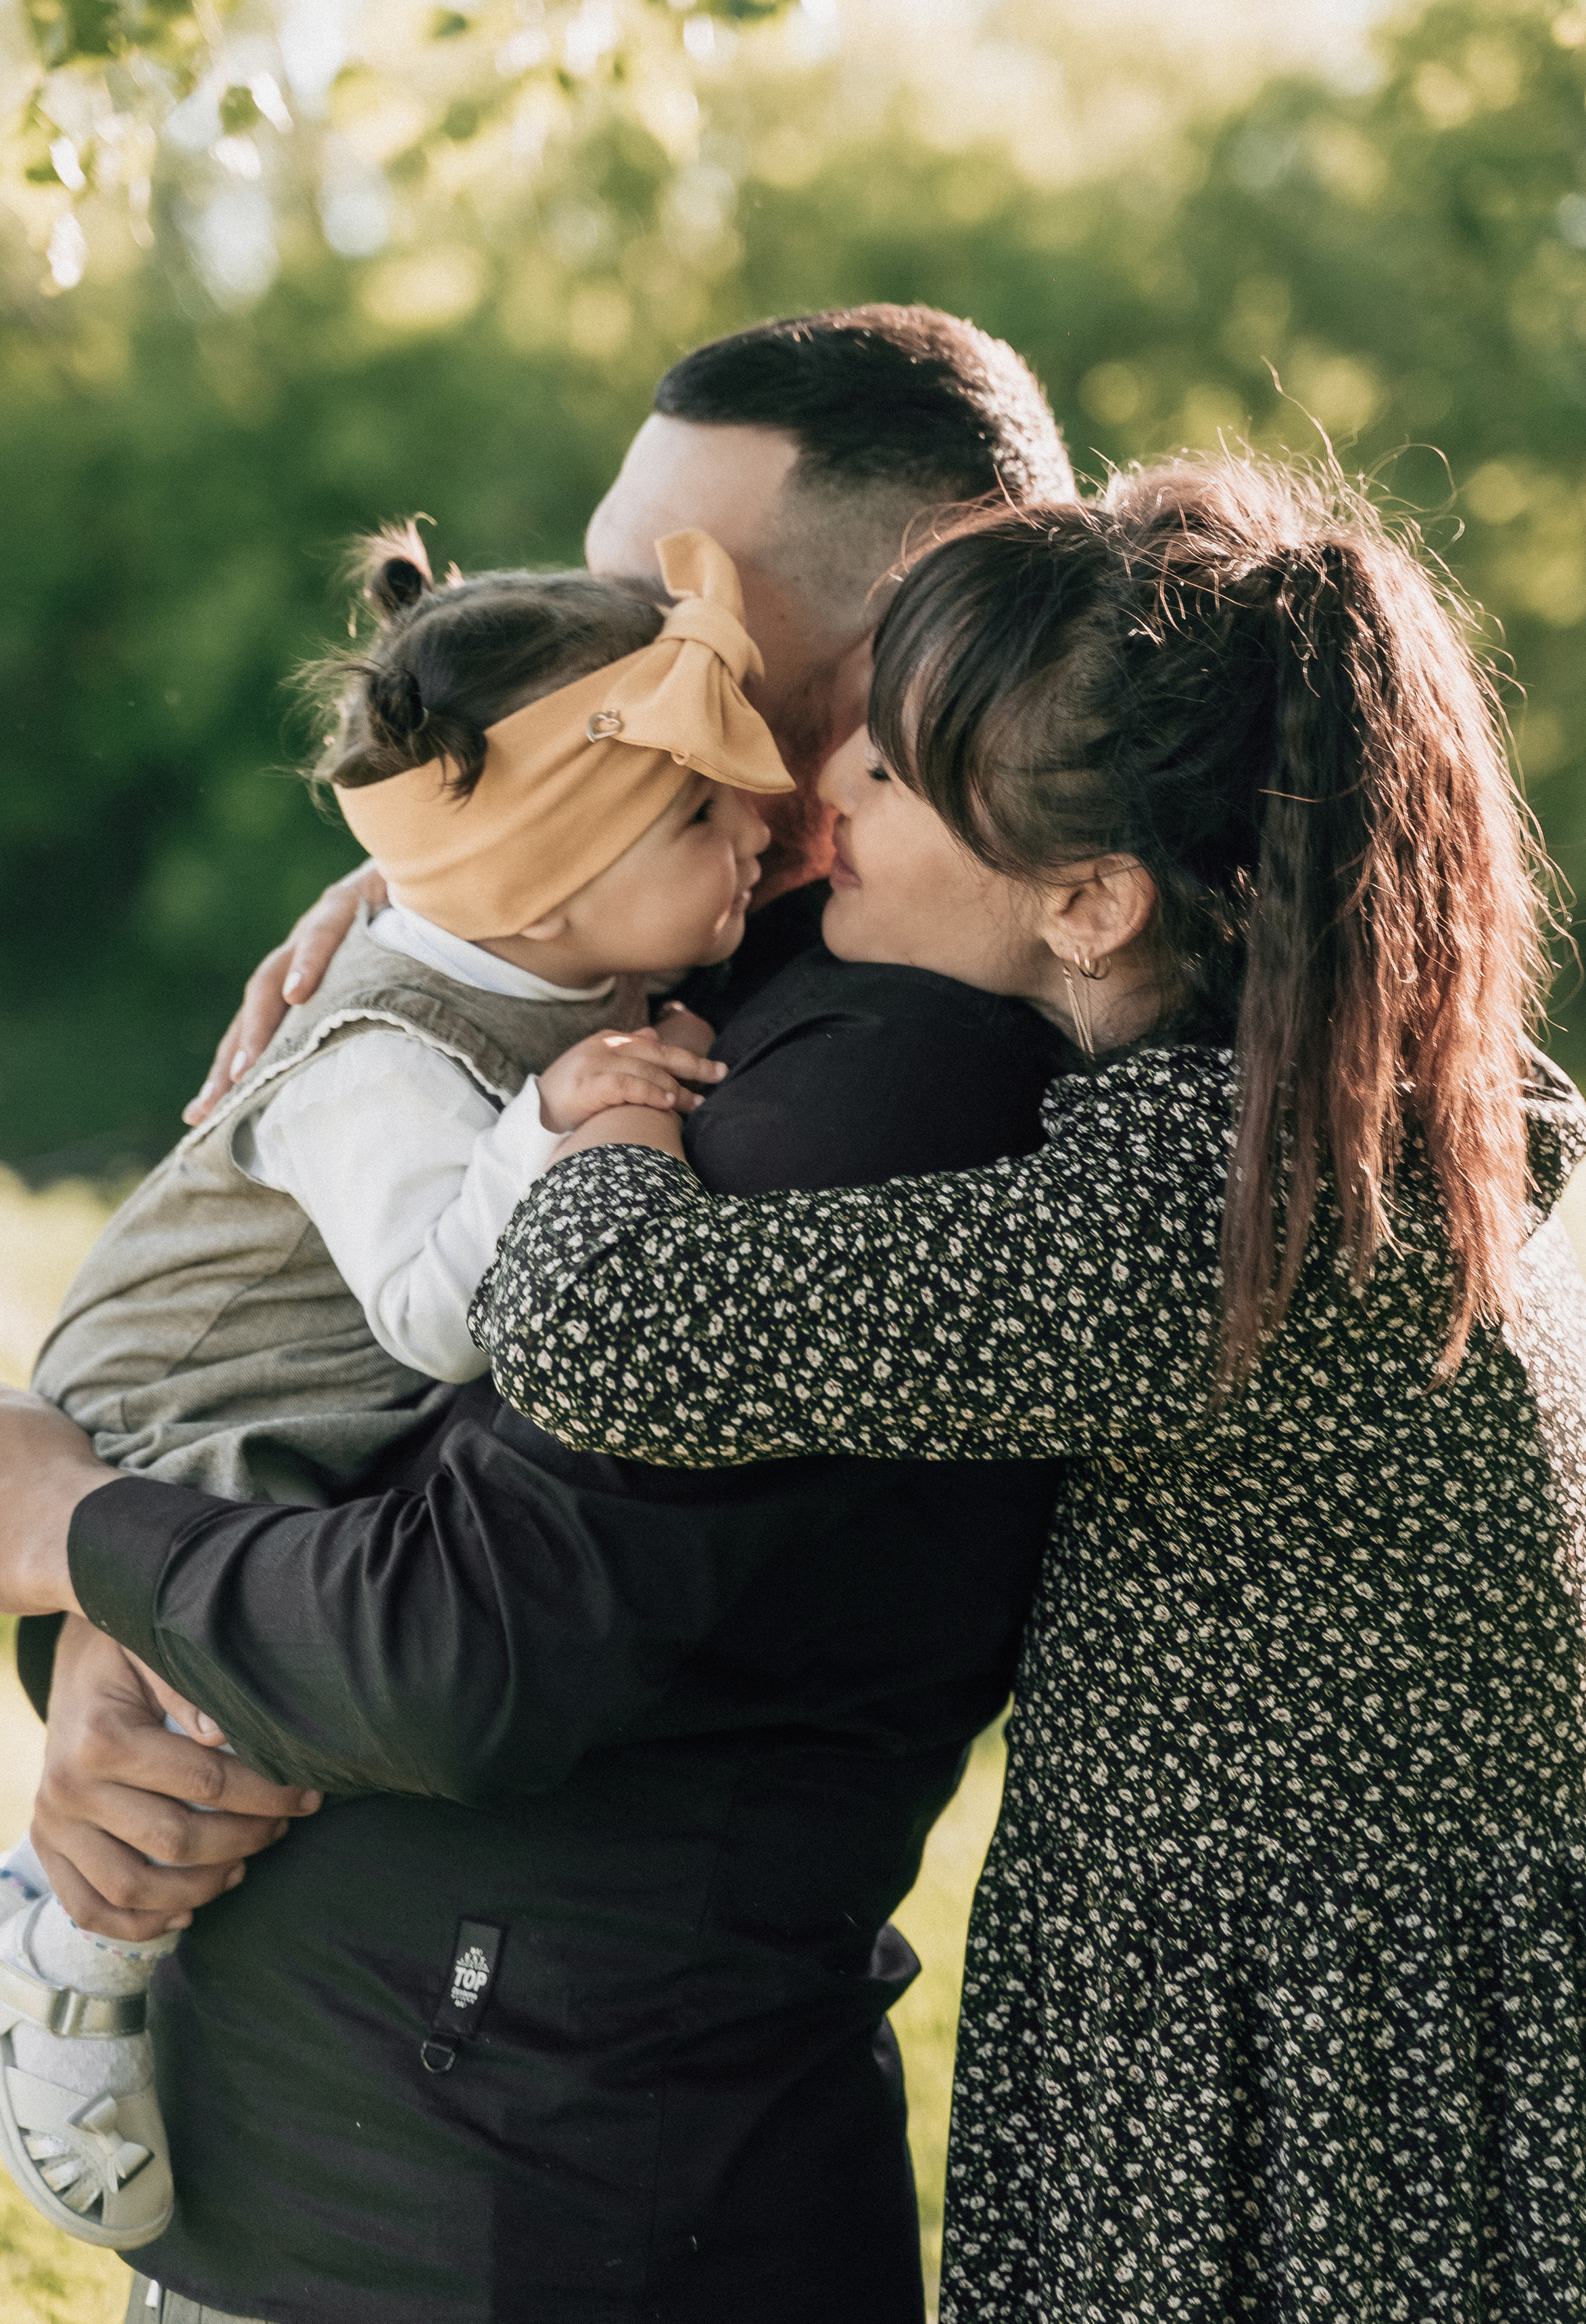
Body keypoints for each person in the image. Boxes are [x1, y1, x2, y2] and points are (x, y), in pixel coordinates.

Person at [466, 455, 1586, 2320]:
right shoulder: (1409, 1105)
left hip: (1267, 2089)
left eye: (896, 774)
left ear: (1089, 903)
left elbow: (601, 1330)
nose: (823, 783)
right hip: (1402, 2031)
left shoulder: (1194, 1225)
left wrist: (598, 1119)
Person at [0, 709, 1074, 2321]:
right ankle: (40, 1907)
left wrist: (72, 1534)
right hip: (369, 2164)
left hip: (515, 2209)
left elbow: (458, 1643)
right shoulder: (667, 960)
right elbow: (386, 1452)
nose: (641, 649)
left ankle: (59, 1946)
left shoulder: (877, 1062)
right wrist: (103, 1602)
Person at [0, 527, 784, 2257]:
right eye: (700, 815)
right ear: (545, 888)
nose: (764, 825)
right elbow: (435, 1314)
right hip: (196, 1388)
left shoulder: (557, 955)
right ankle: (72, 1966)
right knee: (259, 1658)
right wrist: (557, 1123)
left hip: (300, 1371)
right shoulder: (385, 1054)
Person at [183, 303, 1074, 1117]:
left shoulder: (905, 1045)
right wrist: (449, 882)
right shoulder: (518, 931)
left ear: (918, 641)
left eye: (667, 611)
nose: (591, 663)